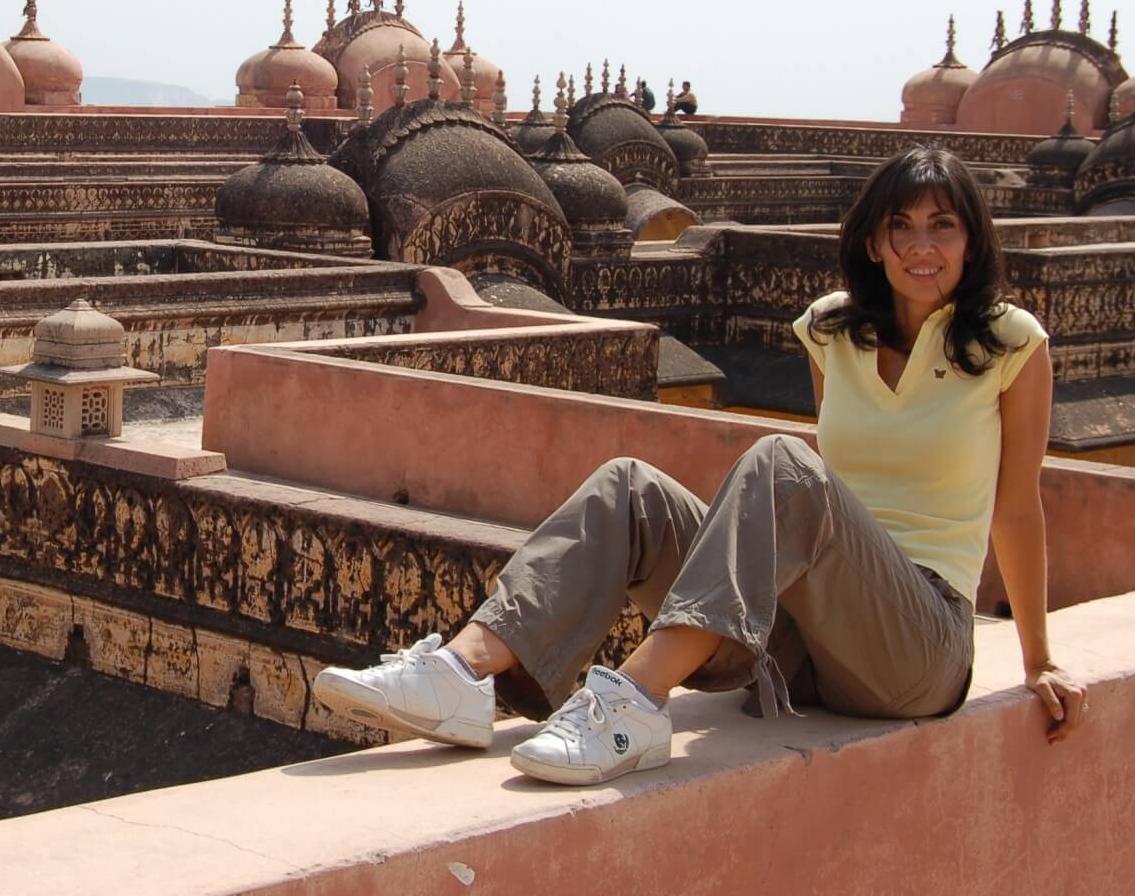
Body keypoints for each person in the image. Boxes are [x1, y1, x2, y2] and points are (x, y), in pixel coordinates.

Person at [312, 146, 1086, 784]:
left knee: (782, 462)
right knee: (629, 489)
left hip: (918, 647)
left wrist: (1039, 659)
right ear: (874, 242)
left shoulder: (1010, 343)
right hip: (808, 641)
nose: (923, 246)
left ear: (972, 242)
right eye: (902, 227)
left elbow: (1017, 507)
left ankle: (635, 702)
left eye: (943, 227)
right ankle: (462, 673)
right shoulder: (830, 329)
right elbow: (829, 499)